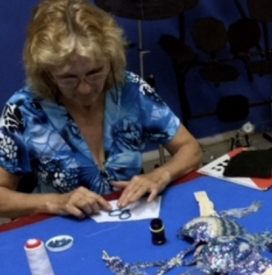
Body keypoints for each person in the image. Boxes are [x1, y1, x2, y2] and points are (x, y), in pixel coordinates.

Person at [0, 0, 203, 219]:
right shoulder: (24, 109)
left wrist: (160, 175)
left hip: (130, 216)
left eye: (95, 72)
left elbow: (190, 149)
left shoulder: (129, 89)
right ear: (47, 73)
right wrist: (56, 202)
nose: (85, 89)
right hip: (65, 227)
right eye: (68, 78)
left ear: (111, 60)